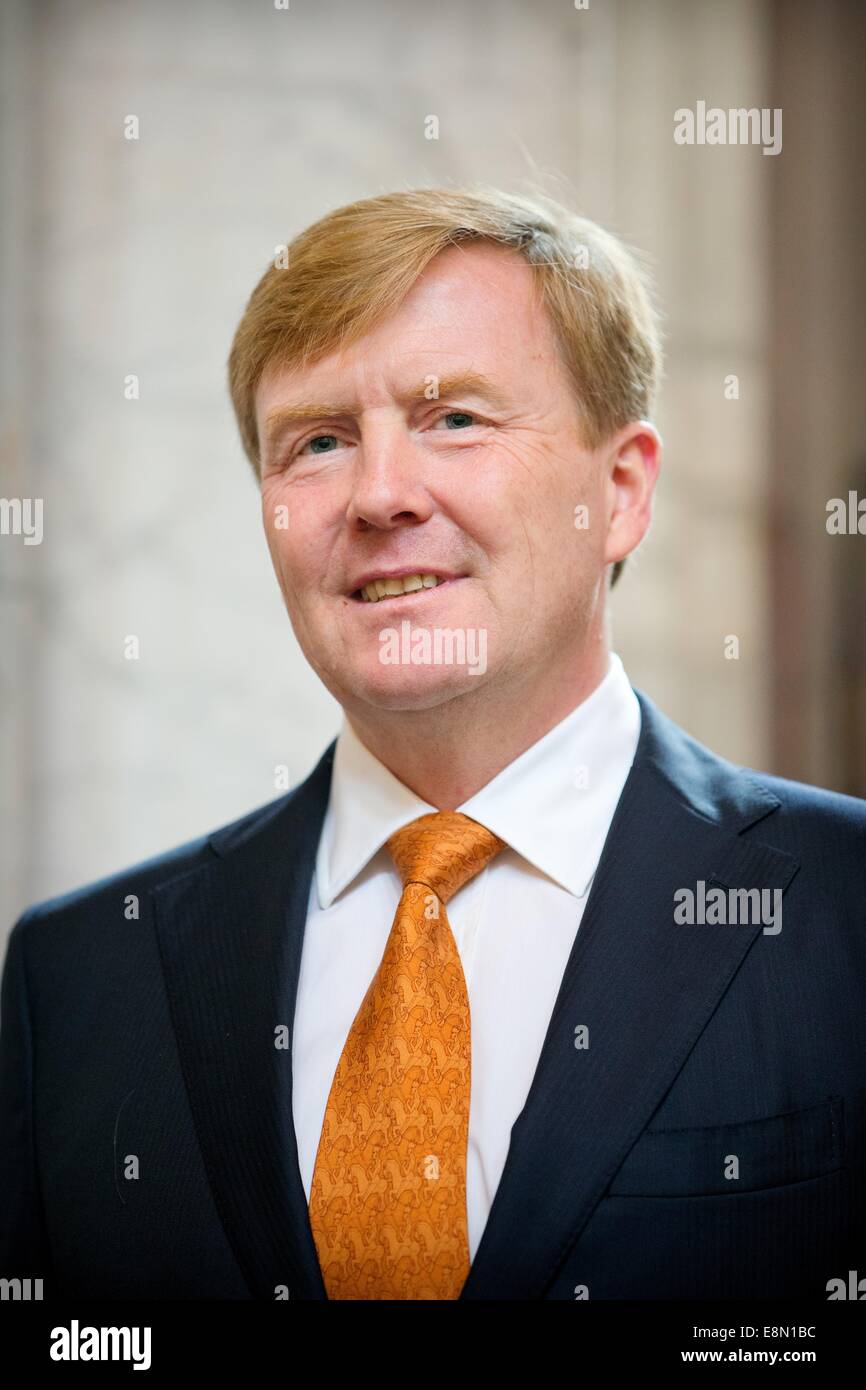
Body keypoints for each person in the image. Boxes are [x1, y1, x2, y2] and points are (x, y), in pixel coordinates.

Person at [1, 187, 864, 1301]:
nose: (379, 495)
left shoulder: (843, 906)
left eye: (453, 418)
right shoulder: (80, 976)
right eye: (317, 442)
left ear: (618, 492)